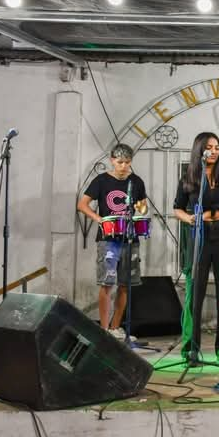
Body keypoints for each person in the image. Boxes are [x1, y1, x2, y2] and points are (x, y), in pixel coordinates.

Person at [173, 132, 219, 365]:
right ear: (199, 150)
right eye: (209, 147)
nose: (214, 151)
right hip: (199, 234)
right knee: (194, 293)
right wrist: (188, 219)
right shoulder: (189, 177)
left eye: (217, 147)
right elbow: (177, 208)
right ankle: (189, 351)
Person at [77, 143, 147, 341]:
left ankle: (116, 328)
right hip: (108, 239)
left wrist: (141, 208)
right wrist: (98, 218)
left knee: (125, 285)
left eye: (127, 162)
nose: (123, 166)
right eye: (120, 162)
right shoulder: (101, 181)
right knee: (106, 284)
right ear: (112, 160)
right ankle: (104, 330)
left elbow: (143, 207)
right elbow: (82, 205)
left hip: (130, 237)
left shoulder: (136, 182)